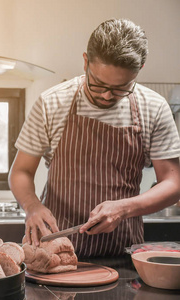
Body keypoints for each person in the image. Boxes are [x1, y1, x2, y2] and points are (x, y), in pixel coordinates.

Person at [9, 19, 180, 257]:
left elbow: (173, 183)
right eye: (98, 84)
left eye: (121, 87)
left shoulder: (154, 107)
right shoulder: (52, 102)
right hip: (57, 250)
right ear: (85, 61)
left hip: (122, 252)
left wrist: (124, 208)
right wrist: (32, 206)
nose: (108, 96)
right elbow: (21, 171)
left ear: (140, 69)